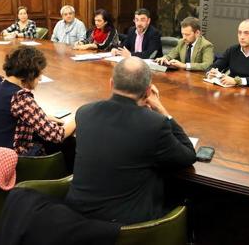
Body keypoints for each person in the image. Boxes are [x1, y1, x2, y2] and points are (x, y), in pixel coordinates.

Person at [65, 57, 196, 224]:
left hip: (74, 218)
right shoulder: (154, 124)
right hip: (125, 228)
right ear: (148, 92)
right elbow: (188, 155)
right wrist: (161, 109)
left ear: (111, 84)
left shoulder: (84, 113)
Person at [0, 46, 76, 155]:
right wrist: (77, 117)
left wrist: (42, 117)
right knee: (65, 145)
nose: (41, 78)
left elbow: (6, 113)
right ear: (31, 74)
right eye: (39, 74)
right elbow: (56, 135)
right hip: (8, 160)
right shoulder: (20, 97)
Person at [206, 19, 249, 87]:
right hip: (231, 90)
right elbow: (214, 66)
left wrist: (237, 81)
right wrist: (210, 73)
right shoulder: (233, 50)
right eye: (239, 32)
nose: (242, 37)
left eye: (246, 33)